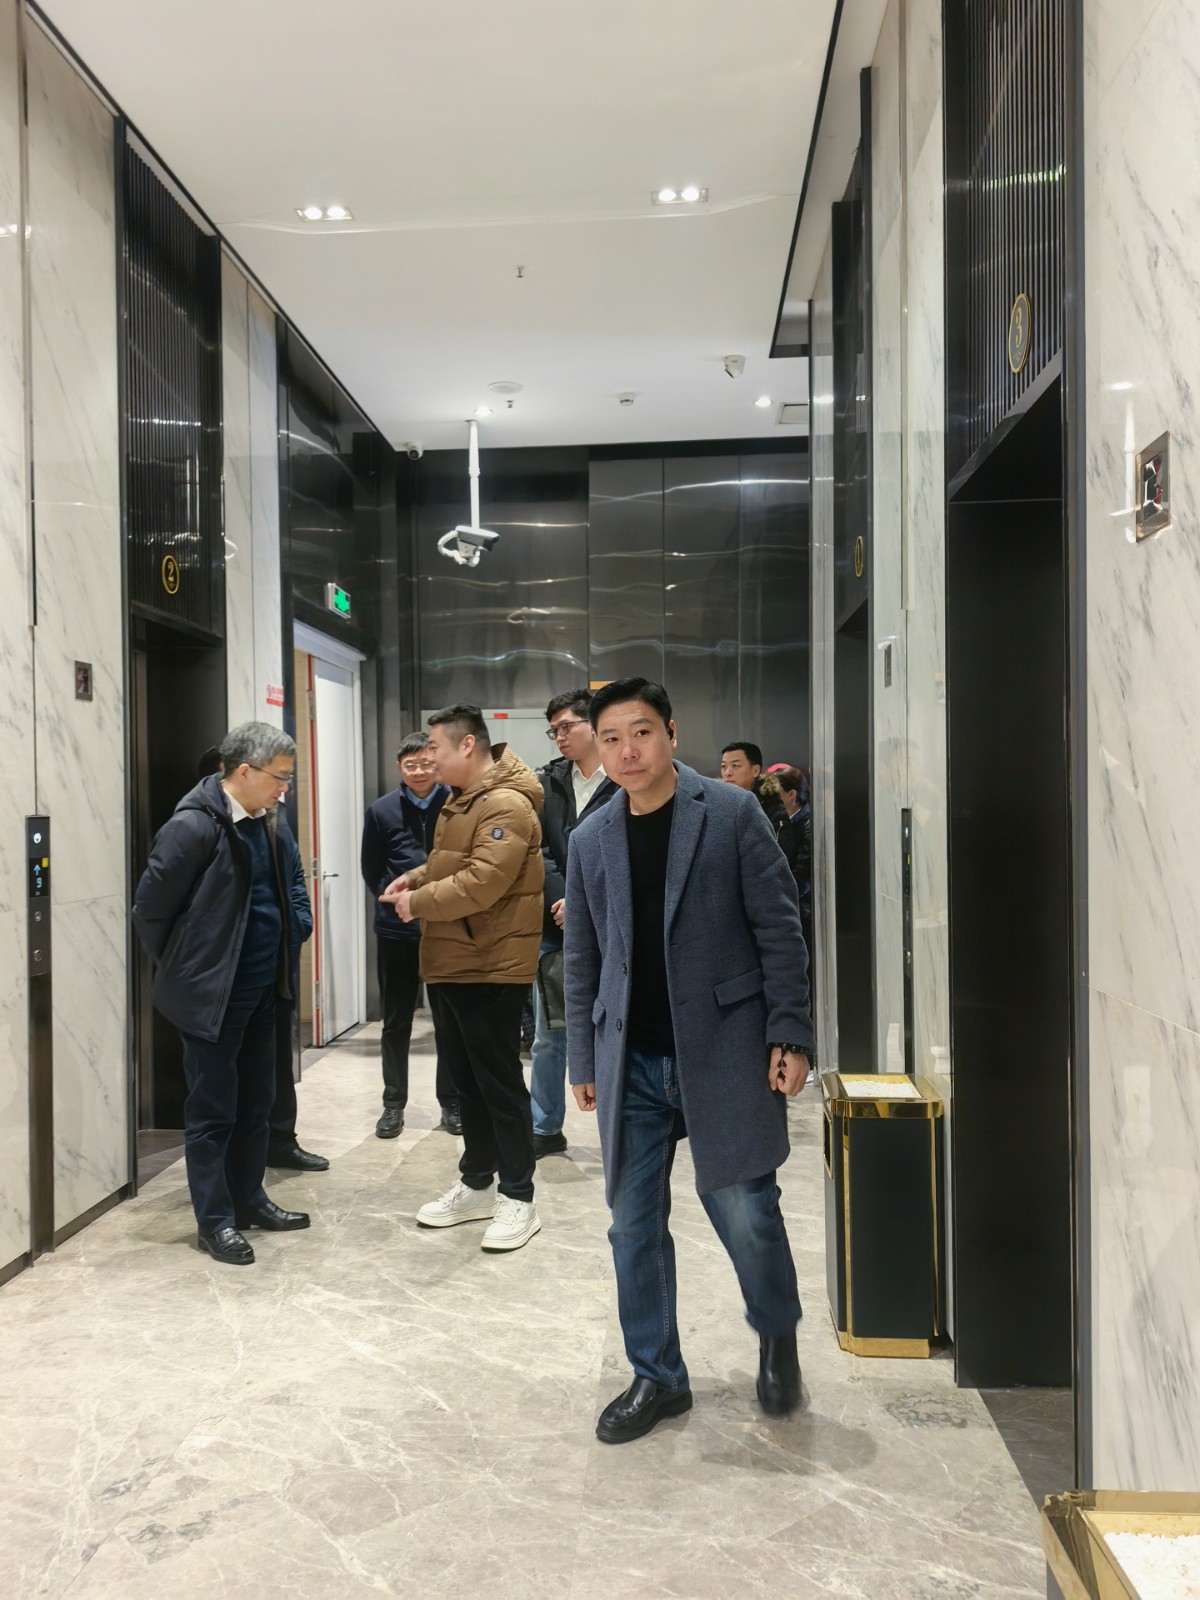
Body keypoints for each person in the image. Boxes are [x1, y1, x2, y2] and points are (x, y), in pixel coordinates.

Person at [565, 679, 814, 1442]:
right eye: (611, 738)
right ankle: (658, 1375)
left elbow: (780, 929)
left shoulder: (731, 813)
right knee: (632, 1227)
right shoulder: (590, 839)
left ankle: (776, 1336)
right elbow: (582, 957)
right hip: (631, 1059)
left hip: (726, 1049)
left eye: (641, 732)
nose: (627, 751)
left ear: (671, 734)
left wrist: (791, 1033)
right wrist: (581, 1055)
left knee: (747, 1212)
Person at [132, 723, 312, 1266]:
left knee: (257, 1103)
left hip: (265, 989)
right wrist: (190, 969)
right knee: (213, 1112)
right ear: (245, 772)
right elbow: (150, 912)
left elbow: (290, 885)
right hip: (213, 997)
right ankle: (215, 1221)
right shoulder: (192, 826)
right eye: (280, 777)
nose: (285, 788)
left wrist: (294, 931)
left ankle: (249, 1199)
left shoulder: (268, 820)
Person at [381, 705, 545, 1253]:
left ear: (468, 745)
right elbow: (452, 863)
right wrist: (414, 877)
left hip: (489, 963)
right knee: (467, 1082)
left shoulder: (506, 803)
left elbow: (483, 880)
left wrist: (418, 902)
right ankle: (477, 1184)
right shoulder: (463, 799)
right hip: (454, 961)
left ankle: (519, 1197)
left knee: (498, 1084)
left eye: (436, 748)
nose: (429, 759)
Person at [197, 745, 328, 1173]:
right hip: (224, 976)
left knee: (274, 1061)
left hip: (275, 961)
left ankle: (280, 1141)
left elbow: (293, 875)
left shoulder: (274, 817)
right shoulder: (200, 827)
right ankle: (233, 1166)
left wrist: (299, 923)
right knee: (228, 1074)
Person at [531, 688, 618, 1158]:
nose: (560, 737)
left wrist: (583, 903)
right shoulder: (545, 783)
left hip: (613, 930)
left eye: (567, 726)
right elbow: (538, 850)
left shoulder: (623, 779)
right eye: (554, 731)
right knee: (550, 1035)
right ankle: (544, 1128)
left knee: (615, 1031)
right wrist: (563, 897)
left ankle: (619, 1125)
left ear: (593, 725)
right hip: (555, 926)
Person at [360, 733, 460, 1139]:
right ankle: (393, 1104)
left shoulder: (457, 802)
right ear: (399, 767)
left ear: (437, 764)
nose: (419, 771)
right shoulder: (381, 810)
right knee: (395, 1021)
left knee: (448, 1022)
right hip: (396, 930)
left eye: (426, 763)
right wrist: (391, 901)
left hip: (445, 927)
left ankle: (451, 1103)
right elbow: (371, 867)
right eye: (410, 765)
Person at [721, 739, 797, 874]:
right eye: (723, 766)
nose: (727, 772)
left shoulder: (772, 812)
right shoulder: (716, 807)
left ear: (755, 771)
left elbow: (775, 868)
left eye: (735, 766)